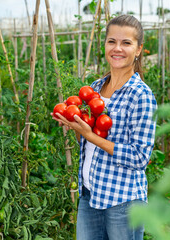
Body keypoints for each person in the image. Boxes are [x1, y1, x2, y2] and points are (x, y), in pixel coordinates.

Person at [52, 14, 157, 240]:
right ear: (105, 44)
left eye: (126, 43)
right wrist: (77, 128)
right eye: (112, 41)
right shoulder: (94, 88)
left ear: (138, 49)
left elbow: (140, 157)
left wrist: (90, 135)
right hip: (90, 194)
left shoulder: (141, 96)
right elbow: (88, 144)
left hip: (123, 200)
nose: (117, 48)